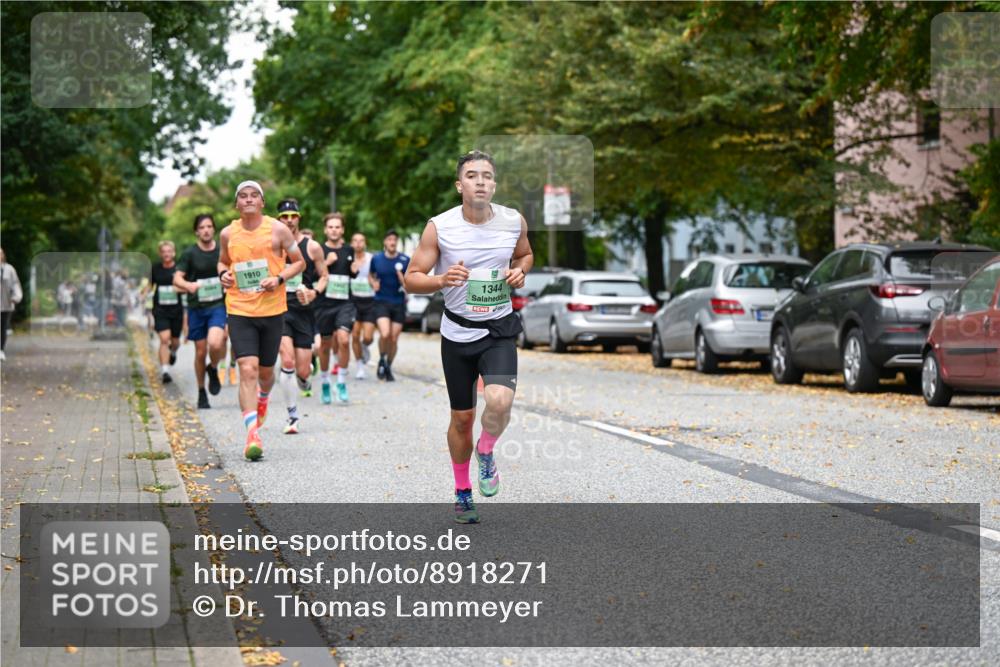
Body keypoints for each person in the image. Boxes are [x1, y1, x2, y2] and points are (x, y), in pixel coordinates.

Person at [404, 150, 532, 524]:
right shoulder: (439, 227)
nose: (480, 181)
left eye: (487, 176)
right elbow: (412, 278)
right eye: (472, 175)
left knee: (500, 401)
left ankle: (486, 450)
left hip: (498, 329)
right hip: (458, 333)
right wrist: (442, 279)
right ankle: (462, 490)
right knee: (462, 418)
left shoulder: (513, 221)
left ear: (494, 184)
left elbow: (525, 255)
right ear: (460, 185)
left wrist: (520, 271)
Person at [218, 181, 305, 461]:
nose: (248, 199)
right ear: (237, 204)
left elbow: (299, 262)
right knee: (248, 369)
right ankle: (252, 434)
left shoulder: (277, 230)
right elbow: (222, 262)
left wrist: (278, 279)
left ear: (262, 202)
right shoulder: (228, 233)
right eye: (243, 196)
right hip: (239, 308)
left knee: (266, 373)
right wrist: (223, 275)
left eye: (254, 195)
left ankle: (263, 398)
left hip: (272, 310)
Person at [273, 199, 328, 434]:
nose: (289, 220)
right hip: (279, 310)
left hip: (304, 313)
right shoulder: (272, 246)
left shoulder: (312, 247)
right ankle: (292, 416)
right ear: (278, 220)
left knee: (303, 371)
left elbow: (324, 276)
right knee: (287, 361)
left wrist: (314, 292)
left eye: (293, 216)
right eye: (284, 217)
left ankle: (304, 378)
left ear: (298, 218)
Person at [174, 214, 228, 409]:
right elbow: (177, 279)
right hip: (197, 308)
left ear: (214, 229)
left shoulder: (222, 251)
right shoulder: (190, 254)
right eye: (202, 227)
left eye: (209, 226)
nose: (206, 230)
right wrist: (188, 285)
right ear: (197, 231)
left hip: (217, 305)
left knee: (216, 343)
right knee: (200, 352)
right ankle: (201, 391)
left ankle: (212, 368)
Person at [315, 212, 357, 404]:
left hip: (344, 303)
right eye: (331, 227)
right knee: (325, 344)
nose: (334, 230)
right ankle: (325, 382)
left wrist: (354, 271)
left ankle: (341, 382)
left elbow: (350, 272)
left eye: (337, 227)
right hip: (324, 304)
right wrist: (326, 263)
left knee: (343, 340)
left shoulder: (349, 250)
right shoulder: (319, 250)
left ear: (342, 230)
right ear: (325, 230)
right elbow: (312, 275)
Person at [370, 229, 410, 382]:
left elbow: (409, 284)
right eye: (389, 239)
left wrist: (401, 277)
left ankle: (388, 365)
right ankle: (381, 358)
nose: (392, 242)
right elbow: (371, 275)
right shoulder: (377, 259)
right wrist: (373, 283)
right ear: (385, 242)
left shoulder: (405, 260)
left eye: (394, 240)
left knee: (393, 338)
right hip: (381, 301)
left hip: (398, 302)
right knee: (385, 333)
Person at [151, 241, 183, 383]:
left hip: (176, 310)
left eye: (169, 251)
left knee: (175, 341)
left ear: (173, 253)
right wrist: (144, 293)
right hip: (160, 309)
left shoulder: (179, 269)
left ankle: (173, 352)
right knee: (164, 339)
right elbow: (150, 285)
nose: (166, 254)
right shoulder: (155, 268)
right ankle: (165, 371)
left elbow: (186, 287)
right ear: (160, 253)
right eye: (164, 251)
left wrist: (178, 289)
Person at [349, 232, 376, 379]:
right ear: (351, 243)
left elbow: (376, 276)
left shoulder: (372, 259)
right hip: (353, 301)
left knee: (368, 337)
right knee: (354, 335)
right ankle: (360, 366)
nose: (358, 243)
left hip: (369, 301)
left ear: (365, 243)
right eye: (355, 240)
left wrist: (375, 283)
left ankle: (365, 345)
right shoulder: (348, 258)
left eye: (361, 241)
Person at [0, 248, 23, 361]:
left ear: (3, 255)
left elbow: (15, 285)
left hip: (6, 303)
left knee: (2, 327)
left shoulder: (9, 269)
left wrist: (16, 297)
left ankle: (1, 350)